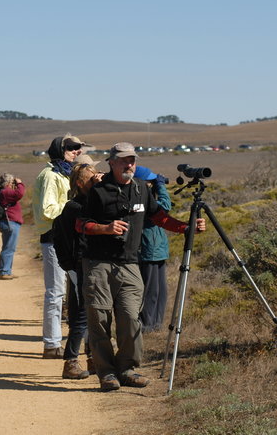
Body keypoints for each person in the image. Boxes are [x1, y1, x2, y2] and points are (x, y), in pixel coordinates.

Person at [77, 142, 206, 391]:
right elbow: (80, 224)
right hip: (98, 263)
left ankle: (127, 369)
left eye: (133, 160)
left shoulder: (141, 189)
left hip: (130, 264)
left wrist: (186, 228)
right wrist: (105, 228)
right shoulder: (98, 191)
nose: (130, 165)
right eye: (124, 160)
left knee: (129, 318)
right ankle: (106, 373)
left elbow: (159, 217)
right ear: (112, 163)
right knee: (100, 319)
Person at [32, 133, 87, 358]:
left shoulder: (65, 174)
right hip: (54, 237)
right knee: (56, 293)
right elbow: (47, 210)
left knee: (78, 289)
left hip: (68, 238)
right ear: (59, 149)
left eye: (79, 147)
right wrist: (72, 209)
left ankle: (77, 339)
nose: (78, 151)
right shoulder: (51, 176)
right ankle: (52, 344)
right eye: (72, 147)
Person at [55, 160, 103, 379]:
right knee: (82, 314)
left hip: (87, 264)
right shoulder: (76, 207)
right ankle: (71, 361)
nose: (98, 180)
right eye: (93, 178)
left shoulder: (83, 203)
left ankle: (93, 359)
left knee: (93, 311)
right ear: (83, 183)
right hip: (78, 266)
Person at [134, 165, 173, 333]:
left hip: (157, 249)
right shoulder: (140, 199)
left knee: (161, 290)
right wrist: (161, 186)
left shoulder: (148, 196)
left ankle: (156, 324)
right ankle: (147, 324)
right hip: (148, 249)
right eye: (150, 181)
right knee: (151, 290)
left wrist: (157, 186)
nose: (152, 184)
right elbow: (164, 207)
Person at [0, 173, 25, 280]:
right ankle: (4, 271)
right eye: (12, 182)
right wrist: (20, 183)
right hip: (10, 222)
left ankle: (7, 270)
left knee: (9, 247)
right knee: (9, 247)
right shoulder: (6, 191)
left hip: (9, 222)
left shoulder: (3, 192)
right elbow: (20, 194)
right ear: (8, 182)